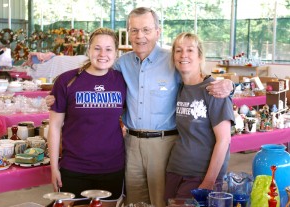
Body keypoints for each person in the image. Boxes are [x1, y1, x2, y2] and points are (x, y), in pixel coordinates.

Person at [46, 7, 234, 207]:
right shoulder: (121, 64)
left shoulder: (173, 60)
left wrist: (229, 86)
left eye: (146, 29)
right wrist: (56, 94)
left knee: (161, 201)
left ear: (157, 32)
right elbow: (95, 68)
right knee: (134, 201)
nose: (140, 36)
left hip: (164, 143)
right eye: (134, 30)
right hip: (130, 144)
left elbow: (197, 78)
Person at [47, 28, 126, 207]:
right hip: (74, 167)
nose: (102, 54)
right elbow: (54, 127)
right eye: (97, 48)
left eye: (108, 49)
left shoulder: (121, 81)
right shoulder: (67, 80)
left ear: (116, 52)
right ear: (88, 50)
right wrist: (53, 168)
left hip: (112, 166)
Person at [164, 32, 235, 202]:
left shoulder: (214, 90)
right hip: (175, 169)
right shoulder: (179, 87)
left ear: (200, 56)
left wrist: (209, 181)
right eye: (178, 50)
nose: (183, 55)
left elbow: (224, 140)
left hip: (201, 175)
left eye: (190, 50)